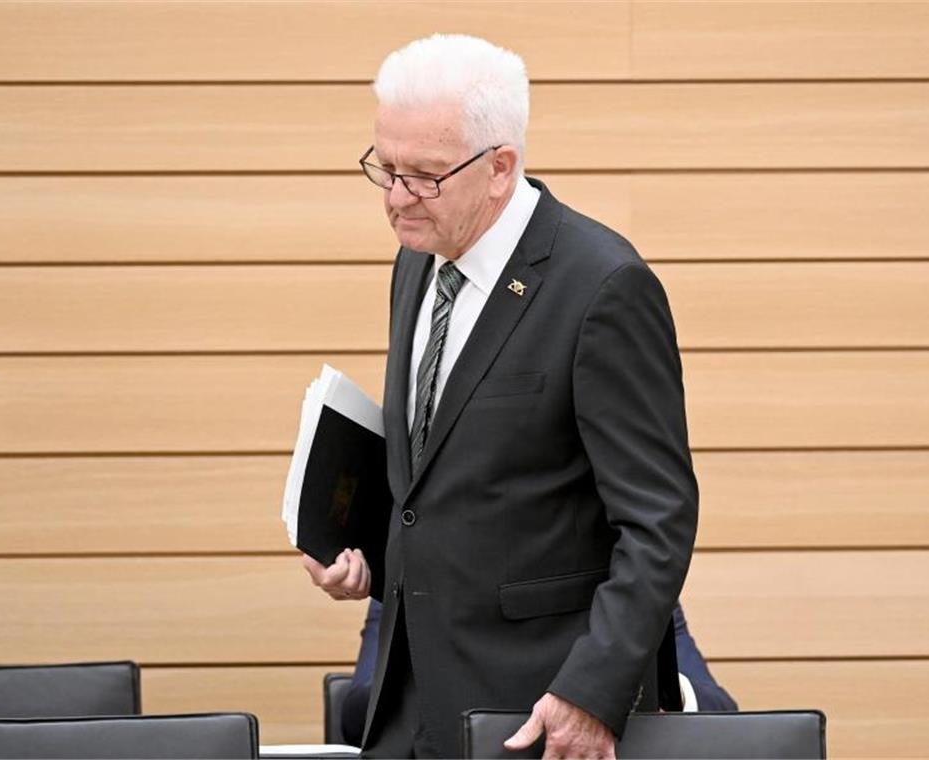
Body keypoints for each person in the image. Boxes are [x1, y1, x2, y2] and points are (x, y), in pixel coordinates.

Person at [302, 34, 698, 758]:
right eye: (383, 168)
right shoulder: (420, 259)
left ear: (499, 168)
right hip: (408, 701)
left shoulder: (603, 287)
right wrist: (360, 549)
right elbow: (447, 472)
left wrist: (591, 693)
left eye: (421, 176)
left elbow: (659, 520)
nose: (395, 200)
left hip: (539, 715)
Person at [339, 600, 736, 745]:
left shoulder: (635, 601)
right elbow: (357, 713)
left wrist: (660, 690)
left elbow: (722, 710)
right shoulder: (408, 590)